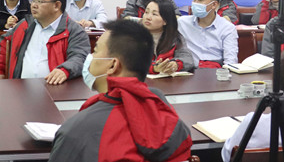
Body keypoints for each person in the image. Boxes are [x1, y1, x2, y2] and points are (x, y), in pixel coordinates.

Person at [50, 19, 192, 162]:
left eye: (95, 51)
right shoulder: (164, 112)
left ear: (113, 65)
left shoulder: (77, 131)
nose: (90, 57)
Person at [0, 0, 90, 84]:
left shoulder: (74, 31)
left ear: (56, 5)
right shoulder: (25, 25)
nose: (33, 5)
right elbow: (6, 42)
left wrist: (64, 70)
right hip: (20, 88)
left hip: (55, 89)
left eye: (40, 1)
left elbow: (80, 57)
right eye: (33, 0)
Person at [177, 0, 238, 68]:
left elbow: (230, 62)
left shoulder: (228, 28)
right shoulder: (182, 23)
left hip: (215, 71)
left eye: (200, 0)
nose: (195, 3)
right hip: (188, 71)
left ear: (214, 5)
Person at [142, 0, 194, 74]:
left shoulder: (174, 37)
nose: (148, 17)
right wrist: (154, 68)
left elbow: (187, 58)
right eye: (146, 12)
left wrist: (175, 64)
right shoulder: (133, 35)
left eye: (154, 14)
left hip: (166, 79)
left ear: (165, 21)